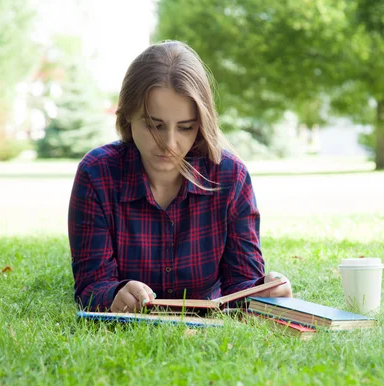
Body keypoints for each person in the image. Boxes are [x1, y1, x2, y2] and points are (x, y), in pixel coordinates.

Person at [68, 41, 292, 313]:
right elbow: (91, 285)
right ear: (128, 115)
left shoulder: (230, 177)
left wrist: (264, 288)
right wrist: (114, 294)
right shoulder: (97, 173)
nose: (169, 143)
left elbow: (240, 282)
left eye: (185, 127)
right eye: (154, 125)